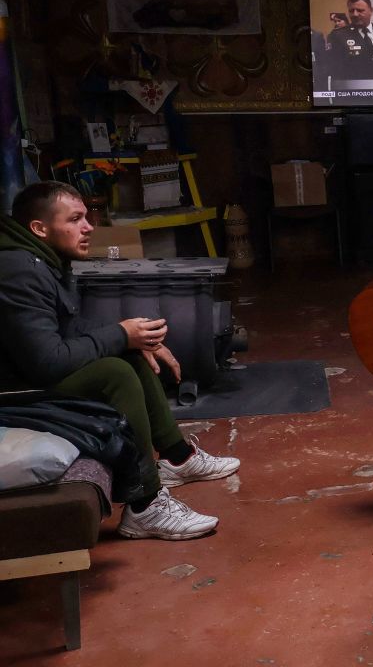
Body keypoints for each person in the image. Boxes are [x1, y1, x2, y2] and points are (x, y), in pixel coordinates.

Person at [0, 182, 239, 540]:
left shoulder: (39, 257)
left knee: (125, 349)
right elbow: (47, 361)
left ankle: (177, 457)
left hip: (24, 370)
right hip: (12, 389)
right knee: (114, 372)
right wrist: (119, 336)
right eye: (76, 219)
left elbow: (63, 326)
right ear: (39, 227)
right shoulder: (19, 270)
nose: (89, 227)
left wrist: (131, 336)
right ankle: (145, 503)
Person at [327, 0, 373, 72]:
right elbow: (334, 66)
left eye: (360, 10)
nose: (355, 14)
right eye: (351, 11)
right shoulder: (338, 35)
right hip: (354, 82)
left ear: (371, 11)